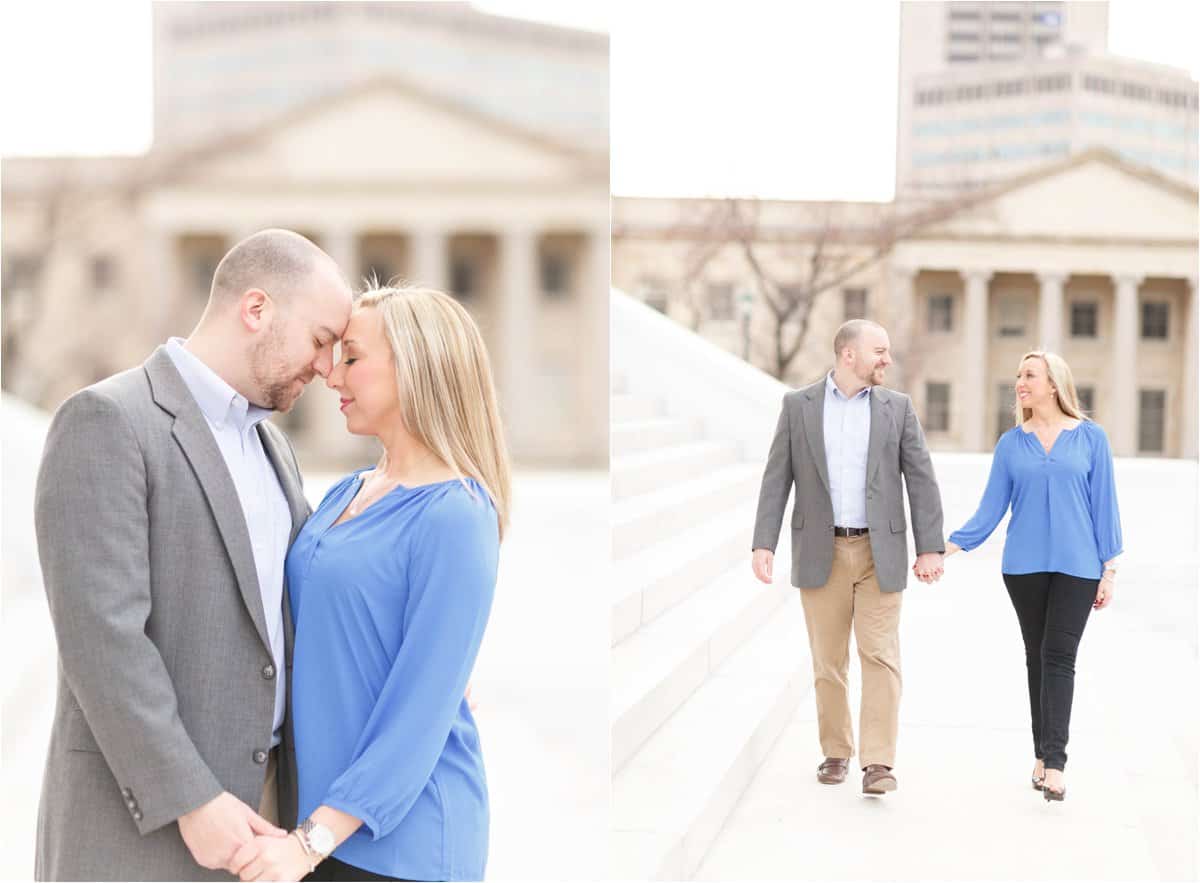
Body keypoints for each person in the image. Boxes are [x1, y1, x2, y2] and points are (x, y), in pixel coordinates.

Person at [33, 229, 354, 880]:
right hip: (139, 828)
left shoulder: (277, 451)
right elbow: (103, 640)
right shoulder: (108, 420)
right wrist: (191, 797)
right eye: (321, 340)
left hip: (263, 826)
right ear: (256, 309)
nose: (327, 368)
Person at [229, 285, 510, 882]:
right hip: (325, 831)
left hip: (402, 842)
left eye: (352, 357)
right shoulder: (345, 492)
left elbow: (418, 717)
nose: (331, 374)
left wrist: (309, 842)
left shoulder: (457, 513)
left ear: (417, 367)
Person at [751, 319, 945, 796]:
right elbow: (778, 476)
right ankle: (836, 753)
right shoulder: (798, 406)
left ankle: (878, 763)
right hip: (822, 549)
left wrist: (930, 546)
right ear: (848, 355)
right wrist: (764, 541)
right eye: (879, 350)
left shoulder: (897, 409)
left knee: (880, 656)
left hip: (882, 552)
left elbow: (920, 478)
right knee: (828, 661)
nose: (887, 359)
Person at [943, 350, 1121, 802]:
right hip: (1023, 567)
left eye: (1029, 375)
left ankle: (1055, 763)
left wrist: (1109, 569)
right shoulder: (1010, 445)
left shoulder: (1090, 439)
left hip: (1078, 568)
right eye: (1018, 375)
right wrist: (948, 544)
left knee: (1060, 656)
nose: (1020, 382)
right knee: (1037, 658)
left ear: (1054, 384)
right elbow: (991, 507)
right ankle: (1041, 755)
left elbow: (1105, 507)